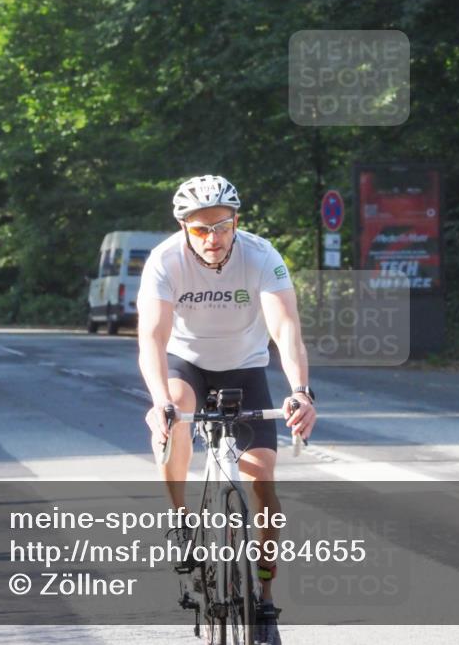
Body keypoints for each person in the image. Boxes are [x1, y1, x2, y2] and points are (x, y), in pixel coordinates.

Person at [138, 175, 317, 645]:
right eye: (200, 230)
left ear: (237, 220)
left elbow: (285, 329)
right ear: (182, 228)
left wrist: (300, 391)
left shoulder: (261, 256)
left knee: (263, 486)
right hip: (188, 364)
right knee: (176, 411)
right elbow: (152, 339)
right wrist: (159, 402)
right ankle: (179, 519)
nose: (213, 239)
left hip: (245, 368)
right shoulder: (163, 261)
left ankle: (264, 597)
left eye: (222, 225)